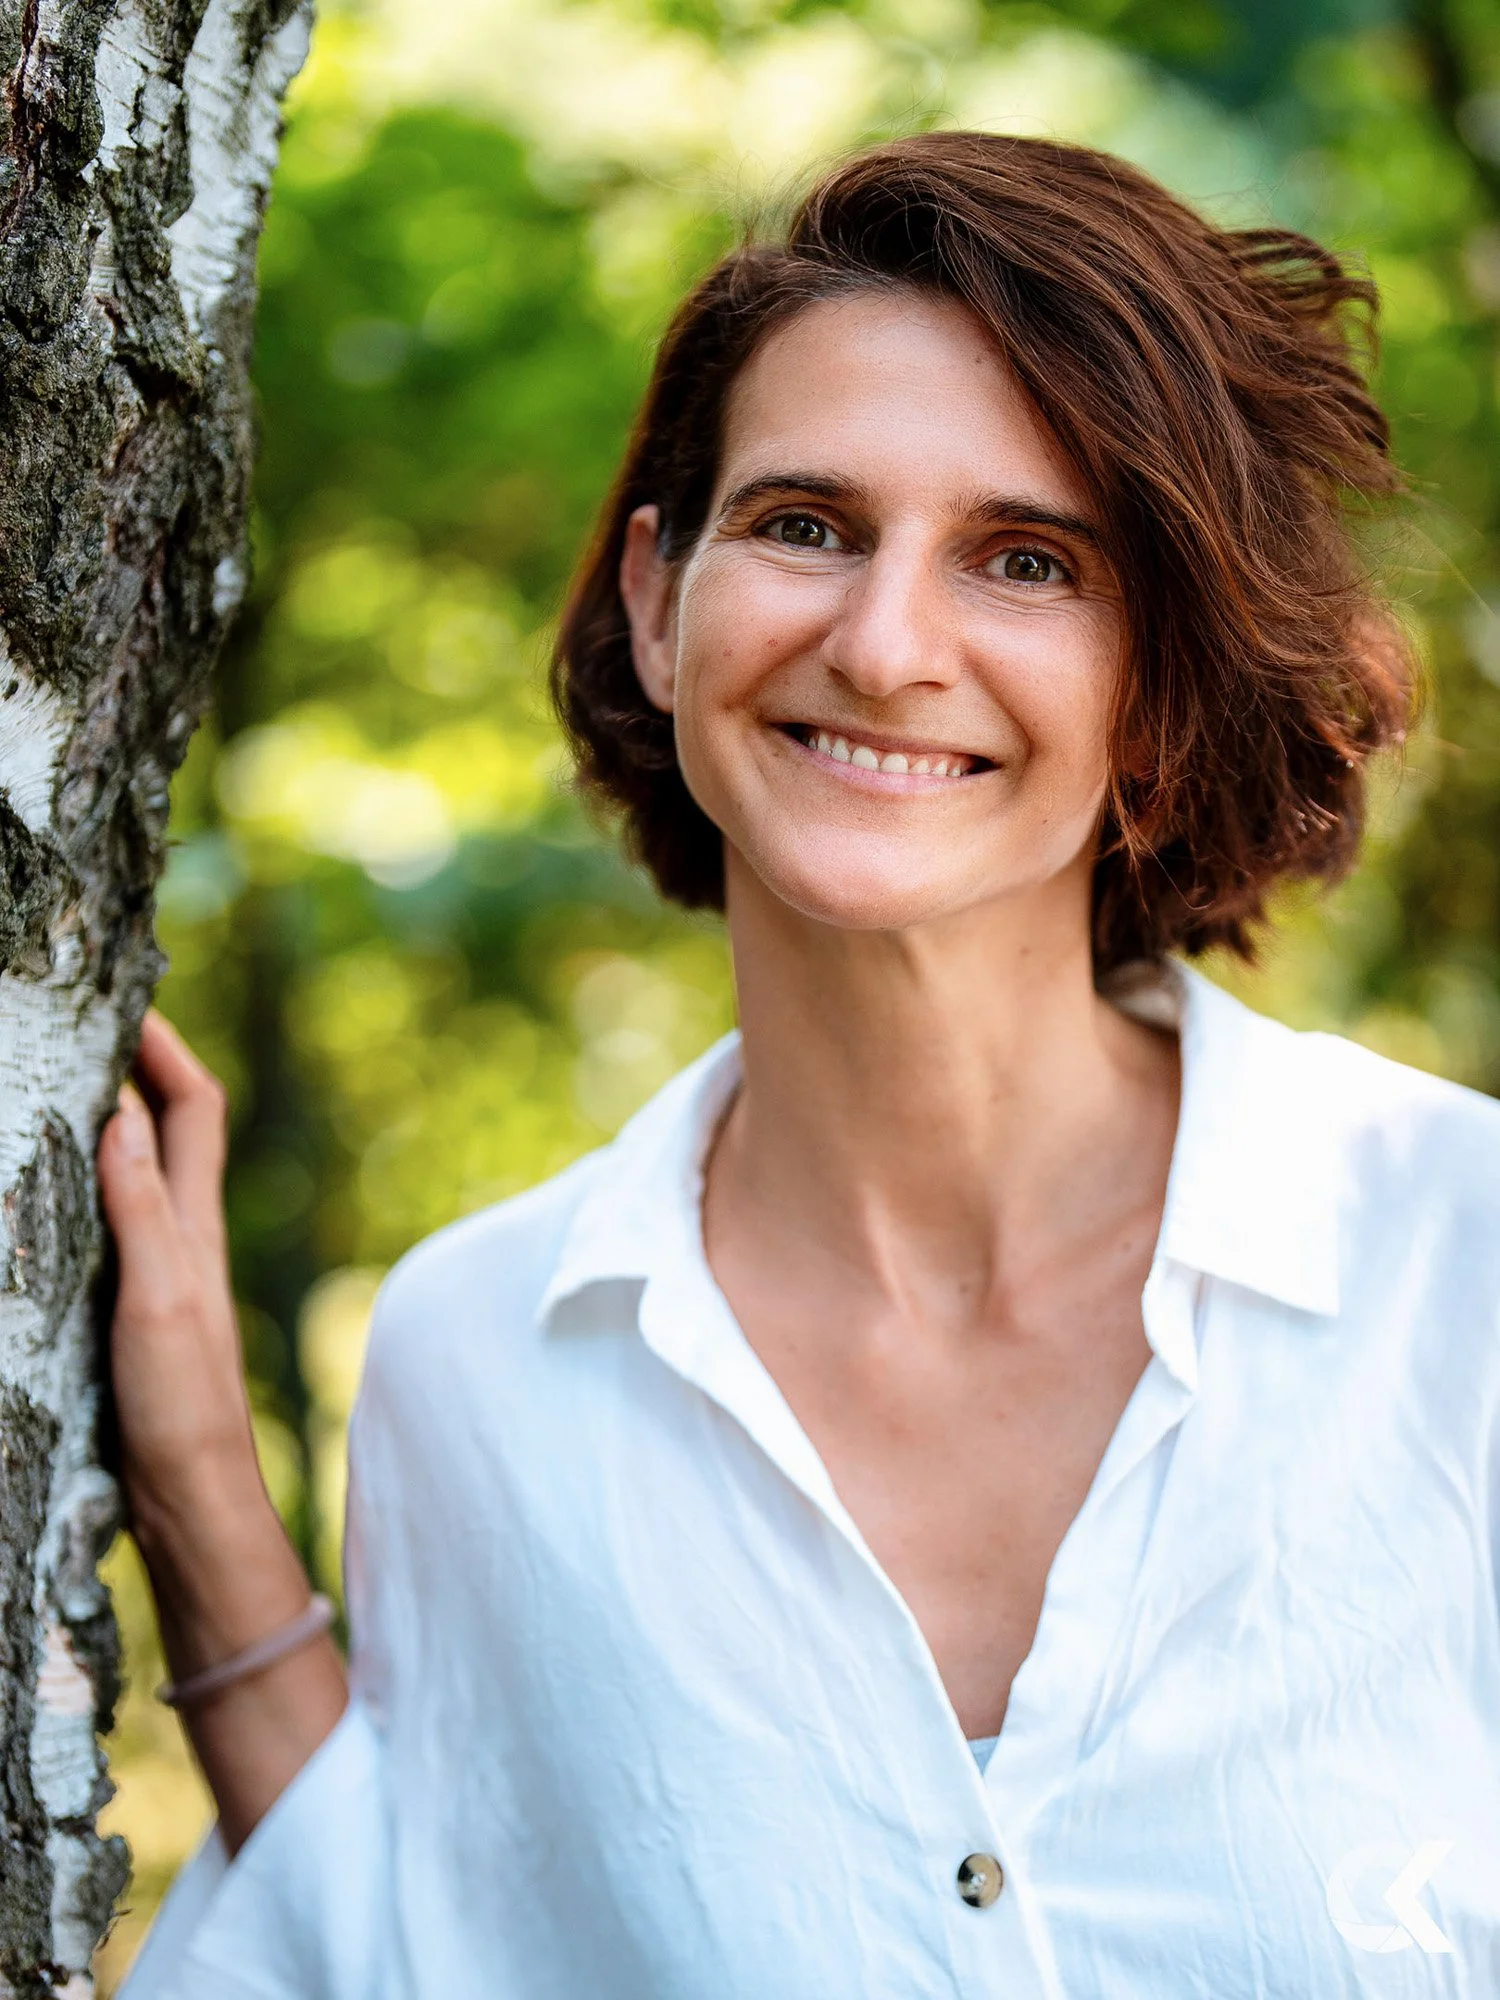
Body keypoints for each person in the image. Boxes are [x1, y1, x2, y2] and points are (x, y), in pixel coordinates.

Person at [103, 133, 1500, 1999]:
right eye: (806, 527)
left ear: (1163, 675)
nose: (885, 642)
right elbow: (436, 1944)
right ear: (661, 602)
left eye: (1027, 560)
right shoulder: (475, 1366)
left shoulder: (1463, 1269)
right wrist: (201, 1487)